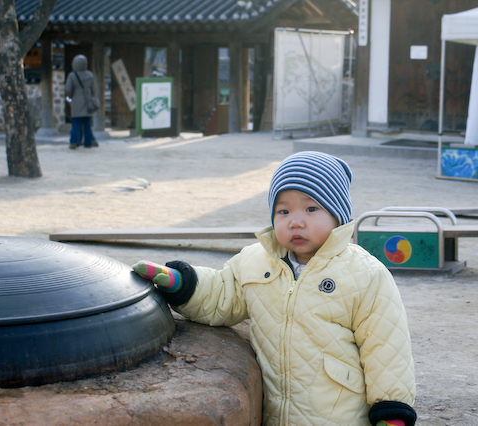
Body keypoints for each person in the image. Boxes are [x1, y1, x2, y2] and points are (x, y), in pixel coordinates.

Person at [132, 151, 417, 426]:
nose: (295, 220)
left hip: (338, 416)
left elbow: (387, 348)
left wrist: (391, 412)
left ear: (338, 214)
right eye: (283, 210)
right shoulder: (255, 261)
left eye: (311, 208)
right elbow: (221, 294)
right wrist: (181, 282)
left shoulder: (365, 274)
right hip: (273, 412)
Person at [65, 54, 98, 149]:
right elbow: (94, 90)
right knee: (87, 125)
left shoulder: (72, 75)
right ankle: (88, 143)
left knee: (75, 124)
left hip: (76, 102)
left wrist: (69, 97)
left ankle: (74, 142)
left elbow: (68, 89)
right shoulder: (90, 75)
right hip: (87, 102)